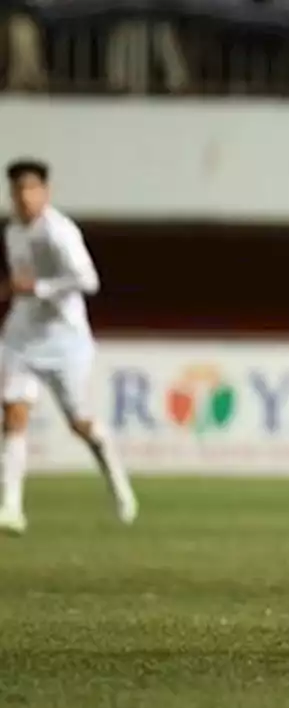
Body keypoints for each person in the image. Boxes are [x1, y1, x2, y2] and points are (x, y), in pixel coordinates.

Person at [0, 159, 137, 535]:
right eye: (17, 190)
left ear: (45, 192)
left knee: (81, 424)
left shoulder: (60, 232)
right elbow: (20, 280)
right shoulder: (13, 231)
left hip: (65, 341)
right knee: (13, 415)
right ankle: (11, 507)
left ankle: (120, 486)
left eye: (31, 189)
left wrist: (39, 288)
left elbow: (88, 280)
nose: (24, 197)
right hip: (21, 336)